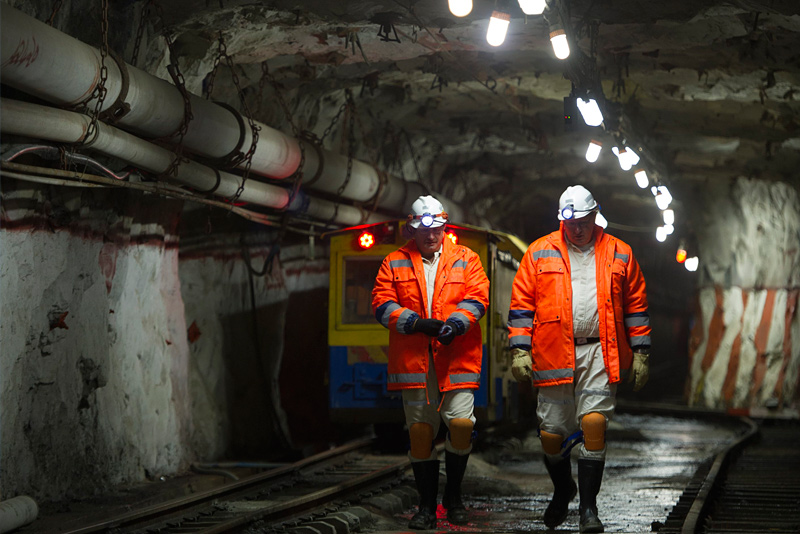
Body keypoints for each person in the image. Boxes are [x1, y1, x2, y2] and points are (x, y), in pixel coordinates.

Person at [507, 185, 651, 533]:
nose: (577, 229)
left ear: (595, 216)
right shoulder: (539, 252)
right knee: (551, 436)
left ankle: (589, 509)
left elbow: (636, 306)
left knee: (594, 424)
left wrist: (642, 352)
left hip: (601, 351)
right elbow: (522, 305)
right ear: (562, 221)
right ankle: (563, 489)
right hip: (553, 350)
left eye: (583, 222)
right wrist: (519, 349)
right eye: (571, 223)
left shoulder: (620, 252)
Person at [372, 195, 490, 529]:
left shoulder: (466, 259)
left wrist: (456, 324)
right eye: (425, 230)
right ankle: (426, 506)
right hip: (415, 362)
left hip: (458, 358)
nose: (432, 235)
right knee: (421, 433)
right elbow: (381, 303)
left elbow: (478, 297)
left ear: (444, 228)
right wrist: (416, 323)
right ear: (412, 230)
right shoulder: (394, 262)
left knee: (462, 426)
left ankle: (453, 497)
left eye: (437, 229)